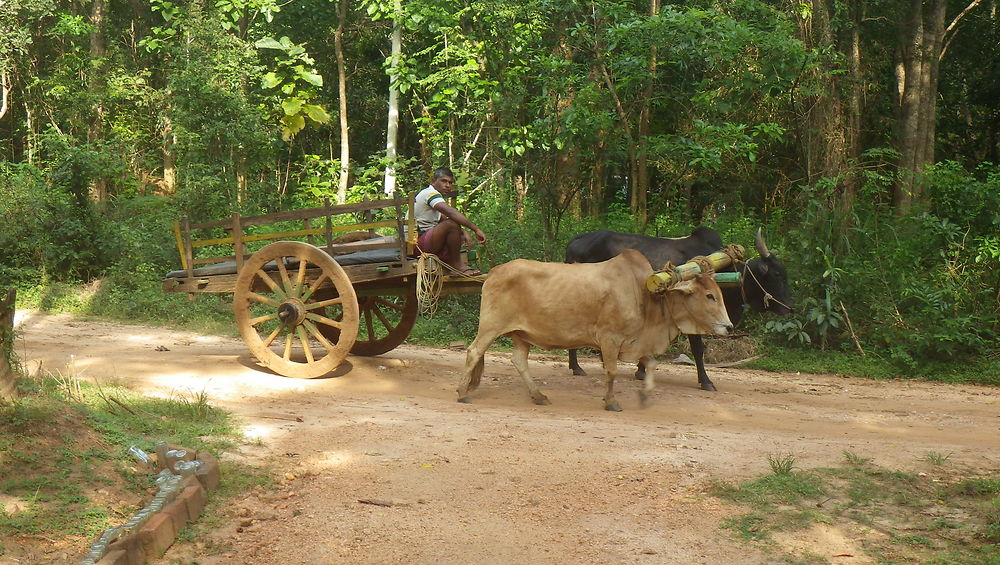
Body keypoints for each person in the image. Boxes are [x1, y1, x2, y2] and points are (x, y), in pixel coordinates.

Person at [413, 167, 487, 276]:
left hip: (426, 241)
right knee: (452, 224)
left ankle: (455, 263)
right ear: (433, 181)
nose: (447, 185)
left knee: (454, 227)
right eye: (444, 181)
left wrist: (462, 232)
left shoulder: (436, 200)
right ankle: (456, 265)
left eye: (450, 182)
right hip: (416, 244)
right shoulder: (430, 193)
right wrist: (476, 229)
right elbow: (450, 213)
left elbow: (444, 220)